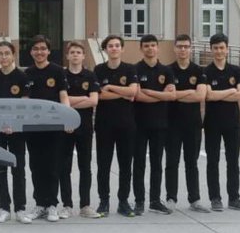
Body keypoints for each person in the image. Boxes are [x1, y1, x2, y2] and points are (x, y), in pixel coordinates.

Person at [24, 35, 70, 222]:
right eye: (36, 49)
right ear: (31, 52)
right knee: (36, 167)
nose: (40, 52)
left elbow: (64, 96)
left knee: (52, 166)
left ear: (49, 51)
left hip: (54, 127)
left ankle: (52, 205)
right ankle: (40, 204)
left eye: (43, 48)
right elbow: (24, 100)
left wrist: (68, 118)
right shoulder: (27, 73)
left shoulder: (58, 71)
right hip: (33, 128)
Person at [204, 33, 240, 212]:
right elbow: (209, 95)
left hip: (232, 124)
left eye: (222, 47)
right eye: (215, 48)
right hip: (212, 123)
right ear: (211, 50)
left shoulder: (235, 71)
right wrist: (231, 91)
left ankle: (234, 198)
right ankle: (215, 198)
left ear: (227, 49)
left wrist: (220, 94)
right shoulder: (206, 72)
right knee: (212, 161)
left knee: (233, 161)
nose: (219, 51)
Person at [93, 35, 138, 217]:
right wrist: (124, 93)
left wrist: (111, 87)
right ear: (105, 49)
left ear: (122, 49)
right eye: (110, 46)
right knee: (103, 165)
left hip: (126, 125)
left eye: (117, 45)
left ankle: (123, 202)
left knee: (125, 165)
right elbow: (99, 95)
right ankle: (103, 201)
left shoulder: (130, 69)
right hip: (104, 125)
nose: (114, 48)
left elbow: (133, 91)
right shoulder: (98, 69)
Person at [165, 35, 210, 213]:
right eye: (179, 46)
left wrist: (178, 94)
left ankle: (195, 199)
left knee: (192, 162)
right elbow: (169, 96)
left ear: (191, 49)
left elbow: (200, 96)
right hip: (172, 124)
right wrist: (189, 92)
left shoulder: (199, 71)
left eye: (186, 46)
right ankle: (171, 198)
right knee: (171, 162)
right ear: (174, 48)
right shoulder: (168, 70)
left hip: (193, 124)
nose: (183, 49)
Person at [132, 34, 176, 215]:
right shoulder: (135, 69)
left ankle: (155, 201)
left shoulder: (166, 71)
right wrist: (161, 95)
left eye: (153, 45)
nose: (150, 48)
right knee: (139, 164)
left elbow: (172, 96)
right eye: (146, 45)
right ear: (141, 48)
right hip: (139, 124)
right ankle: (139, 201)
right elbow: (137, 96)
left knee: (157, 164)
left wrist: (149, 92)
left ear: (158, 47)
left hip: (160, 124)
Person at [59, 41, 100, 219]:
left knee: (85, 167)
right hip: (65, 128)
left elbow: (94, 101)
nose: (75, 55)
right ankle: (67, 205)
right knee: (64, 167)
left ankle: (85, 205)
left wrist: (70, 101)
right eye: (72, 52)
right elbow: (59, 100)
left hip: (85, 128)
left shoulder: (90, 76)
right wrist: (83, 98)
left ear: (83, 56)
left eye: (78, 52)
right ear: (67, 56)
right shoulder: (61, 75)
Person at [0, 41, 31, 224]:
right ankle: (4, 208)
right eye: (0, 53)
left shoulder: (22, 77)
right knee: (0, 170)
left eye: (7, 53)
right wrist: (1, 124)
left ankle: (20, 209)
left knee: (18, 169)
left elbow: (24, 104)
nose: (4, 57)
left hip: (17, 130)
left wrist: (12, 123)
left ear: (13, 55)